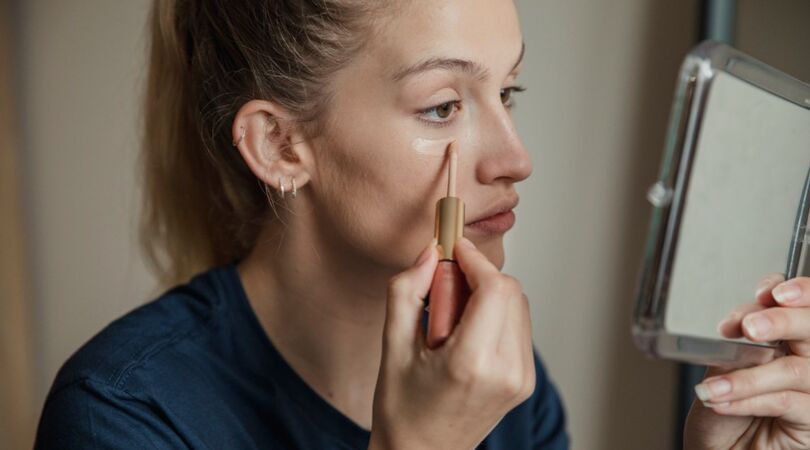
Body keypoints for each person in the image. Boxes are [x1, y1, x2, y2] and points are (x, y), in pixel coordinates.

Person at [34, 0, 810, 448]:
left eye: (508, 93)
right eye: (443, 106)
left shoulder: (505, 382)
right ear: (280, 145)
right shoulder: (125, 414)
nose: (516, 159)